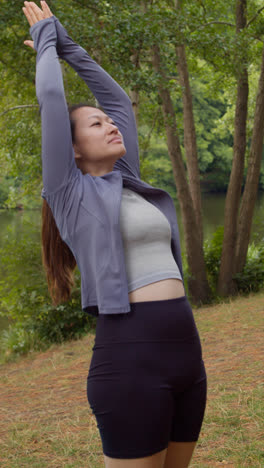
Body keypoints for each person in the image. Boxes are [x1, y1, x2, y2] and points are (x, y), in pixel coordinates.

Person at [22, 2, 207, 467]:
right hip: (131, 357)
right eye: (96, 124)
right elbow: (51, 98)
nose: (111, 124)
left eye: (108, 122)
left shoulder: (127, 182)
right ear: (74, 151)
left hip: (185, 352)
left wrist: (67, 43)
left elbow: (119, 99)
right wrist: (45, 37)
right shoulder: (68, 190)